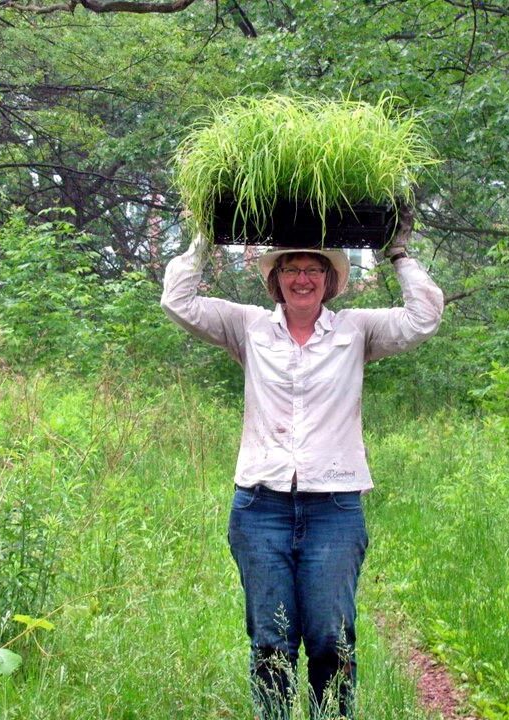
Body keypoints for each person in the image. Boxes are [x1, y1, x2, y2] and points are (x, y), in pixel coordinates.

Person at [161, 211, 444, 719]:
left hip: (334, 508)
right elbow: (177, 301)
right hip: (259, 507)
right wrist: (203, 237)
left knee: (331, 640)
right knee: (270, 640)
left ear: (331, 280)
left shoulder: (356, 331)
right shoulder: (248, 326)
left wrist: (399, 254)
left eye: (314, 269)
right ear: (276, 279)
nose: (302, 278)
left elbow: (423, 317)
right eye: (291, 268)